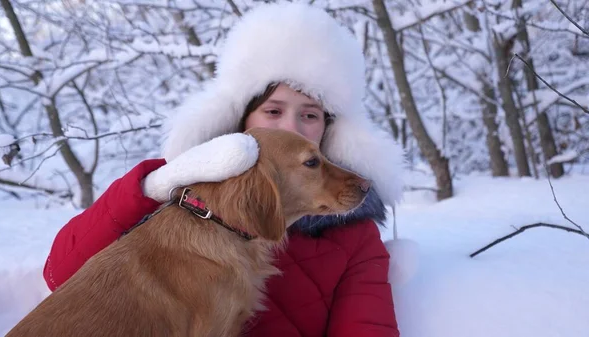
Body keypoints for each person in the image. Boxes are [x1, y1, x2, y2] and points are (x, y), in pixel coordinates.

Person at [42, 3, 404, 336]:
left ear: (329, 128)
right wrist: (155, 185)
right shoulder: (172, 195)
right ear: (241, 118)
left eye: (309, 115)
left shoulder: (354, 236)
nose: (290, 128)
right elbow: (59, 273)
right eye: (273, 111)